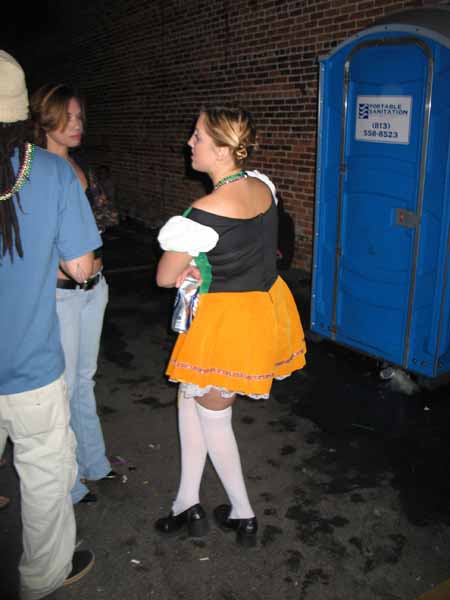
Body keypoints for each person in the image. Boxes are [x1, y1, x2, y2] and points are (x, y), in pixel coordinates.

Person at [155, 107, 306, 546]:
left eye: (198, 136)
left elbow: (164, 276)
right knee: (190, 396)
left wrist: (193, 267)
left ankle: (243, 514)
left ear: (222, 150)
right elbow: (249, 244)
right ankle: (186, 502)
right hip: (263, 308)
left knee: (215, 418)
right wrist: (204, 265)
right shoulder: (262, 186)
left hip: (226, 323)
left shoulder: (201, 213)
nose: (189, 142)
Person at [0, 50, 99, 599]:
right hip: (28, 365)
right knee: (43, 475)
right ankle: (43, 577)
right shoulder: (51, 171)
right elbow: (81, 267)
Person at [30, 84, 119, 504]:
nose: (77, 124)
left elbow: (98, 226)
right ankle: (67, 481)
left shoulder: (78, 168)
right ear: (45, 118)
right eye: (67, 117)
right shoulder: (34, 171)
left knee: (84, 379)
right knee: (62, 387)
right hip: (61, 294)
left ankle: (94, 462)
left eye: (80, 116)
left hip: (93, 288)